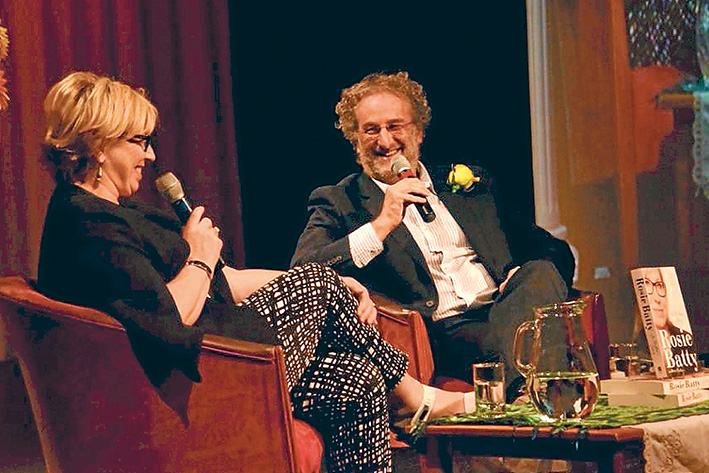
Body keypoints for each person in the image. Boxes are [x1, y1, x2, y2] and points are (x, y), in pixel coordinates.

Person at [37, 71, 474, 473]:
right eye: (140, 141)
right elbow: (172, 317)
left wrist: (340, 285)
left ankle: (406, 397)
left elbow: (223, 282)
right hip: (205, 376)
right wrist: (200, 256)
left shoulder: (122, 213)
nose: (149, 155)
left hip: (228, 359)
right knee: (317, 279)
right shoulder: (86, 222)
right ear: (99, 144)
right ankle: (416, 399)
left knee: (356, 383)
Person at [291, 71, 575, 397]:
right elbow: (303, 271)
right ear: (355, 141)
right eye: (371, 130)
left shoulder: (470, 187)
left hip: (505, 310)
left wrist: (516, 276)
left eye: (395, 126)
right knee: (535, 340)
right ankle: (553, 405)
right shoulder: (339, 201)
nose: (385, 141)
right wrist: (381, 224)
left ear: (418, 132)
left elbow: (555, 250)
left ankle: (534, 400)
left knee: (539, 272)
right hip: (446, 332)